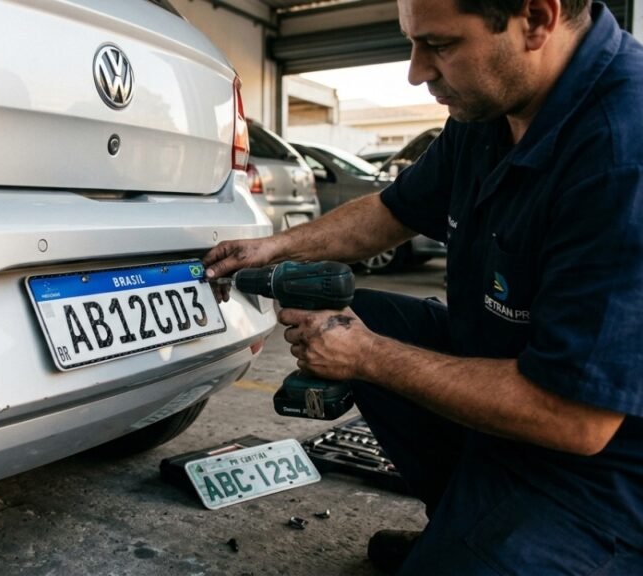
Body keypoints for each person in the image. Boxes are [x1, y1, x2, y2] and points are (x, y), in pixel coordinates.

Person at [204, 0, 643, 573]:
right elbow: (392, 211)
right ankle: (462, 520)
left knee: (368, 344)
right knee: (366, 316)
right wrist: (271, 246)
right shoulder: (490, 111)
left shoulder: (621, 153)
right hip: (509, 388)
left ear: (536, 20)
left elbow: (576, 419)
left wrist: (367, 356)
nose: (417, 70)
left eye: (439, 45)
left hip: (604, 472)